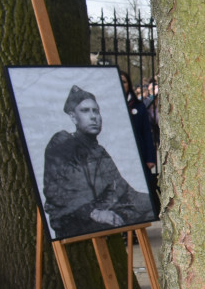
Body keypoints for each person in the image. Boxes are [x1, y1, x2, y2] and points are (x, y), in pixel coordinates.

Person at [43, 85, 155, 239]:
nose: (93, 116)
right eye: (85, 111)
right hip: (76, 218)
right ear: (73, 117)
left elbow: (122, 190)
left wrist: (152, 202)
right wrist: (94, 212)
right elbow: (60, 192)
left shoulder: (99, 151)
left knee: (152, 206)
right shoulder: (63, 143)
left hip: (104, 210)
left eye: (96, 111)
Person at [119, 70, 159, 217]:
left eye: (124, 81)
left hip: (138, 153)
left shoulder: (139, 106)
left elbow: (146, 133)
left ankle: (137, 222)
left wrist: (150, 157)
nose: (121, 84)